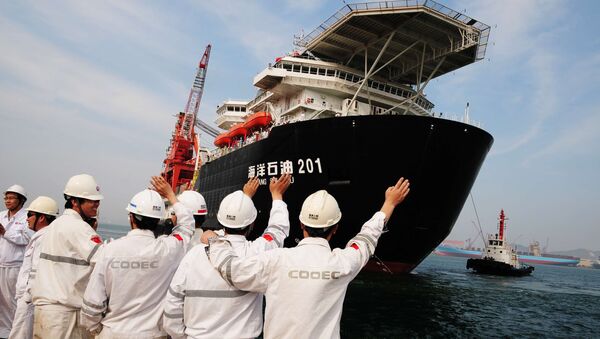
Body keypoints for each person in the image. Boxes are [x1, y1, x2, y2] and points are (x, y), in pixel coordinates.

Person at [205, 177, 410, 339]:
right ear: (336, 228)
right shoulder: (342, 263)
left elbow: (232, 270)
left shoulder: (276, 260)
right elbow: (366, 238)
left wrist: (216, 241)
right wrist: (388, 204)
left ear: (301, 225)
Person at [163, 174, 291, 339]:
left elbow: (173, 303)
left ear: (219, 220)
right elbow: (277, 231)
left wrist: (182, 336)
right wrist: (277, 196)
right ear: (252, 224)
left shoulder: (195, 254)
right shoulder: (258, 253)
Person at [80, 176, 194, 338]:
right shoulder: (169, 249)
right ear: (158, 221)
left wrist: (98, 330)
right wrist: (171, 196)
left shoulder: (110, 250)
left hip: (113, 333)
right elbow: (187, 225)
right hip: (151, 334)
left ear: (131, 217)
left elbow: (92, 304)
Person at [31, 174, 104, 339]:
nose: (97, 205)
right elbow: (104, 260)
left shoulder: (55, 225)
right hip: (66, 315)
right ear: (74, 202)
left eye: (98, 200)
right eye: (92, 201)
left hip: (46, 311)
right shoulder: (78, 228)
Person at [9, 196, 59, 339]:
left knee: (19, 335)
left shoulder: (44, 238)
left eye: (30, 215)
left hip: (29, 300)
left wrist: (26, 298)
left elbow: (36, 271)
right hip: (27, 298)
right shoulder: (41, 236)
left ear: (42, 217)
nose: (27, 218)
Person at [0, 184, 31, 338]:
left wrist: (5, 233)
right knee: (1, 302)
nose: (7, 200)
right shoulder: (1, 215)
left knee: (12, 302)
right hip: (0, 264)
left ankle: (14, 332)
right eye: (6, 197)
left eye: (12, 198)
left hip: (15, 266)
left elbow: (27, 238)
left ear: (21, 200)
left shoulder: (27, 218)